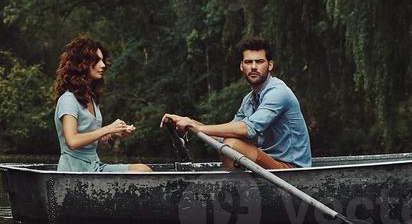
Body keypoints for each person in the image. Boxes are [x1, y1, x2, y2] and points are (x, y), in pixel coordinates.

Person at [160, 37, 312, 170]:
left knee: (232, 145)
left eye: (259, 62)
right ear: (241, 67)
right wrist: (188, 121)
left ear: (270, 65)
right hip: (267, 165)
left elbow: (249, 129)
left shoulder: (279, 92)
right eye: (248, 62)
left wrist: (199, 127)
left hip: (291, 170)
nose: (253, 66)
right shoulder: (249, 99)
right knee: (228, 140)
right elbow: (222, 136)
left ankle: (229, 192)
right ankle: (231, 193)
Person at [53, 36, 152, 173]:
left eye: (102, 60)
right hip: (74, 171)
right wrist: (108, 129)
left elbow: (90, 137)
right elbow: (72, 141)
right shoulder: (68, 99)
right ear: (82, 64)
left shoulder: (91, 98)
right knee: (141, 171)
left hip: (94, 166)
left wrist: (113, 133)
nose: (103, 65)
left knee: (143, 169)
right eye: (97, 60)